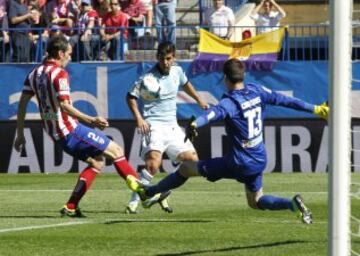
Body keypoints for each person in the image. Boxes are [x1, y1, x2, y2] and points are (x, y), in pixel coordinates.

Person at [128, 58, 329, 224]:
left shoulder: (230, 102)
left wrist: (195, 124)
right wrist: (316, 109)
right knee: (256, 201)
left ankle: (148, 192)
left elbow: (213, 114)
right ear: (243, 75)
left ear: (225, 77)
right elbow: (287, 101)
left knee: (186, 168)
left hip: (239, 162)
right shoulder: (257, 90)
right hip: (259, 158)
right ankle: (291, 204)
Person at [14, 35, 167, 217]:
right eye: (69, 54)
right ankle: (143, 193)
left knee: (97, 162)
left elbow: (22, 104)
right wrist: (91, 120)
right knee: (116, 150)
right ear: (60, 53)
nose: (70, 58)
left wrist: (20, 133)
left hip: (55, 133)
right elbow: (64, 106)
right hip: (70, 130)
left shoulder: (34, 74)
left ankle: (71, 206)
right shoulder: (60, 74)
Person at [125, 41, 208, 214]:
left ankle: (161, 192)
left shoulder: (177, 71)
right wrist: (139, 118)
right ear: (157, 58)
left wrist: (198, 99)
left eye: (169, 58)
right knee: (153, 165)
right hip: (153, 125)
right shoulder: (148, 78)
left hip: (172, 126)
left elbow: (185, 83)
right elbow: (130, 96)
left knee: (192, 162)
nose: (166, 62)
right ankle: (133, 203)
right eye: (162, 59)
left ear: (174, 57)